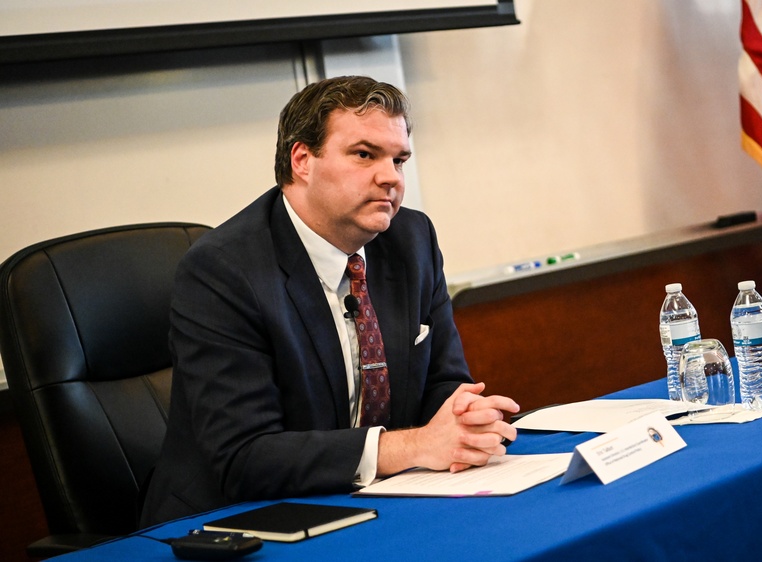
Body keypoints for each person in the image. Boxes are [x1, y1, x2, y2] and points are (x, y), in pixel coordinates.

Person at [141, 76, 519, 526]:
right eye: (365, 155)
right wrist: (414, 446)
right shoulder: (224, 271)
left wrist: (465, 415)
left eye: (399, 160)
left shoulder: (411, 239)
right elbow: (244, 456)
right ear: (302, 160)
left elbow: (443, 381)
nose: (391, 178)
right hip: (237, 523)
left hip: (380, 502)